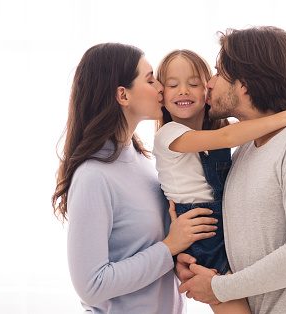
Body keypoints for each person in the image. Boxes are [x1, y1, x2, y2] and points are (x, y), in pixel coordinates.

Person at [177, 26, 286, 314]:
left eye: (219, 73)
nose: (210, 83)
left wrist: (218, 288)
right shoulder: (245, 150)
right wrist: (194, 260)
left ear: (244, 85)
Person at [51, 43, 219, 314]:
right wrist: (169, 247)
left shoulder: (141, 161)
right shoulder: (94, 177)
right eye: (151, 79)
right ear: (123, 95)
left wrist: (176, 260)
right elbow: (91, 285)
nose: (161, 88)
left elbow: (146, 254)